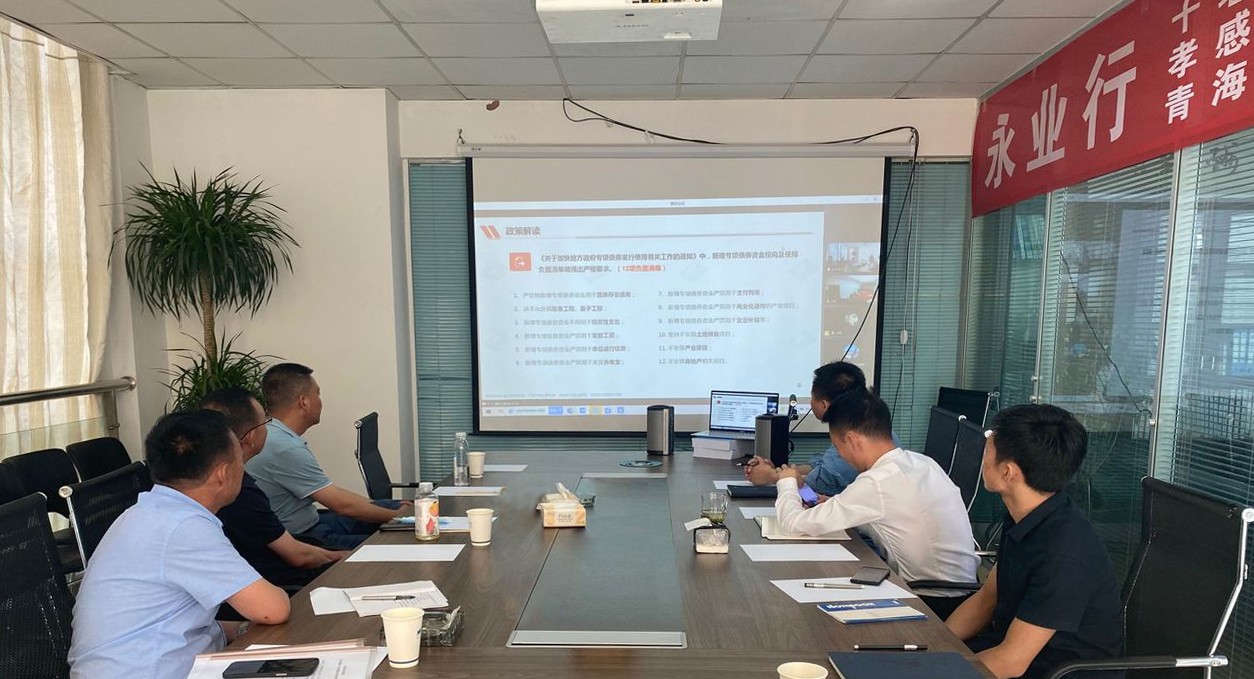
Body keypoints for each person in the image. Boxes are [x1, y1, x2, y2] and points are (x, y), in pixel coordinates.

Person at [69, 410, 290, 679]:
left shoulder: (148, 513)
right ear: (223, 474)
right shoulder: (184, 527)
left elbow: (171, 620)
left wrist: (240, 629)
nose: (243, 469)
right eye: (239, 460)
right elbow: (272, 609)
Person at [945, 405, 1122, 679]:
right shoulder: (1028, 514)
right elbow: (986, 600)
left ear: (1008, 472)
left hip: (1056, 672)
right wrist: (932, 647)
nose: (982, 454)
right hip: (1015, 654)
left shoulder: (1064, 555)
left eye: (988, 446)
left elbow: (1010, 662)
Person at [774, 389, 979, 609]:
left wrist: (786, 481)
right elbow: (879, 513)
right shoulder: (922, 463)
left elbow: (793, 524)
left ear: (852, 440)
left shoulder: (877, 482)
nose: (840, 455)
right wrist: (812, 495)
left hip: (932, 601)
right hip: (965, 593)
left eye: (838, 447)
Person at [247, 363, 408, 549]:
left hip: (314, 520)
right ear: (304, 402)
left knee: (396, 507)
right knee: (397, 541)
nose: (320, 401)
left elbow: (331, 492)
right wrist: (399, 518)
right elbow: (343, 505)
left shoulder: (276, 434)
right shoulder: (284, 447)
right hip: (304, 537)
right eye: (318, 394)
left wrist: (389, 508)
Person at [201, 387, 350, 588]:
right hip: (278, 581)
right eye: (266, 422)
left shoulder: (202, 481)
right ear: (251, 436)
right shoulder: (241, 491)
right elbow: (299, 557)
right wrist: (345, 556)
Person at [743, 361, 872, 496]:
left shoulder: (851, 441)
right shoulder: (862, 426)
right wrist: (778, 471)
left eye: (812, 396)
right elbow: (819, 465)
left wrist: (771, 476)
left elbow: (811, 492)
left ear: (824, 405)